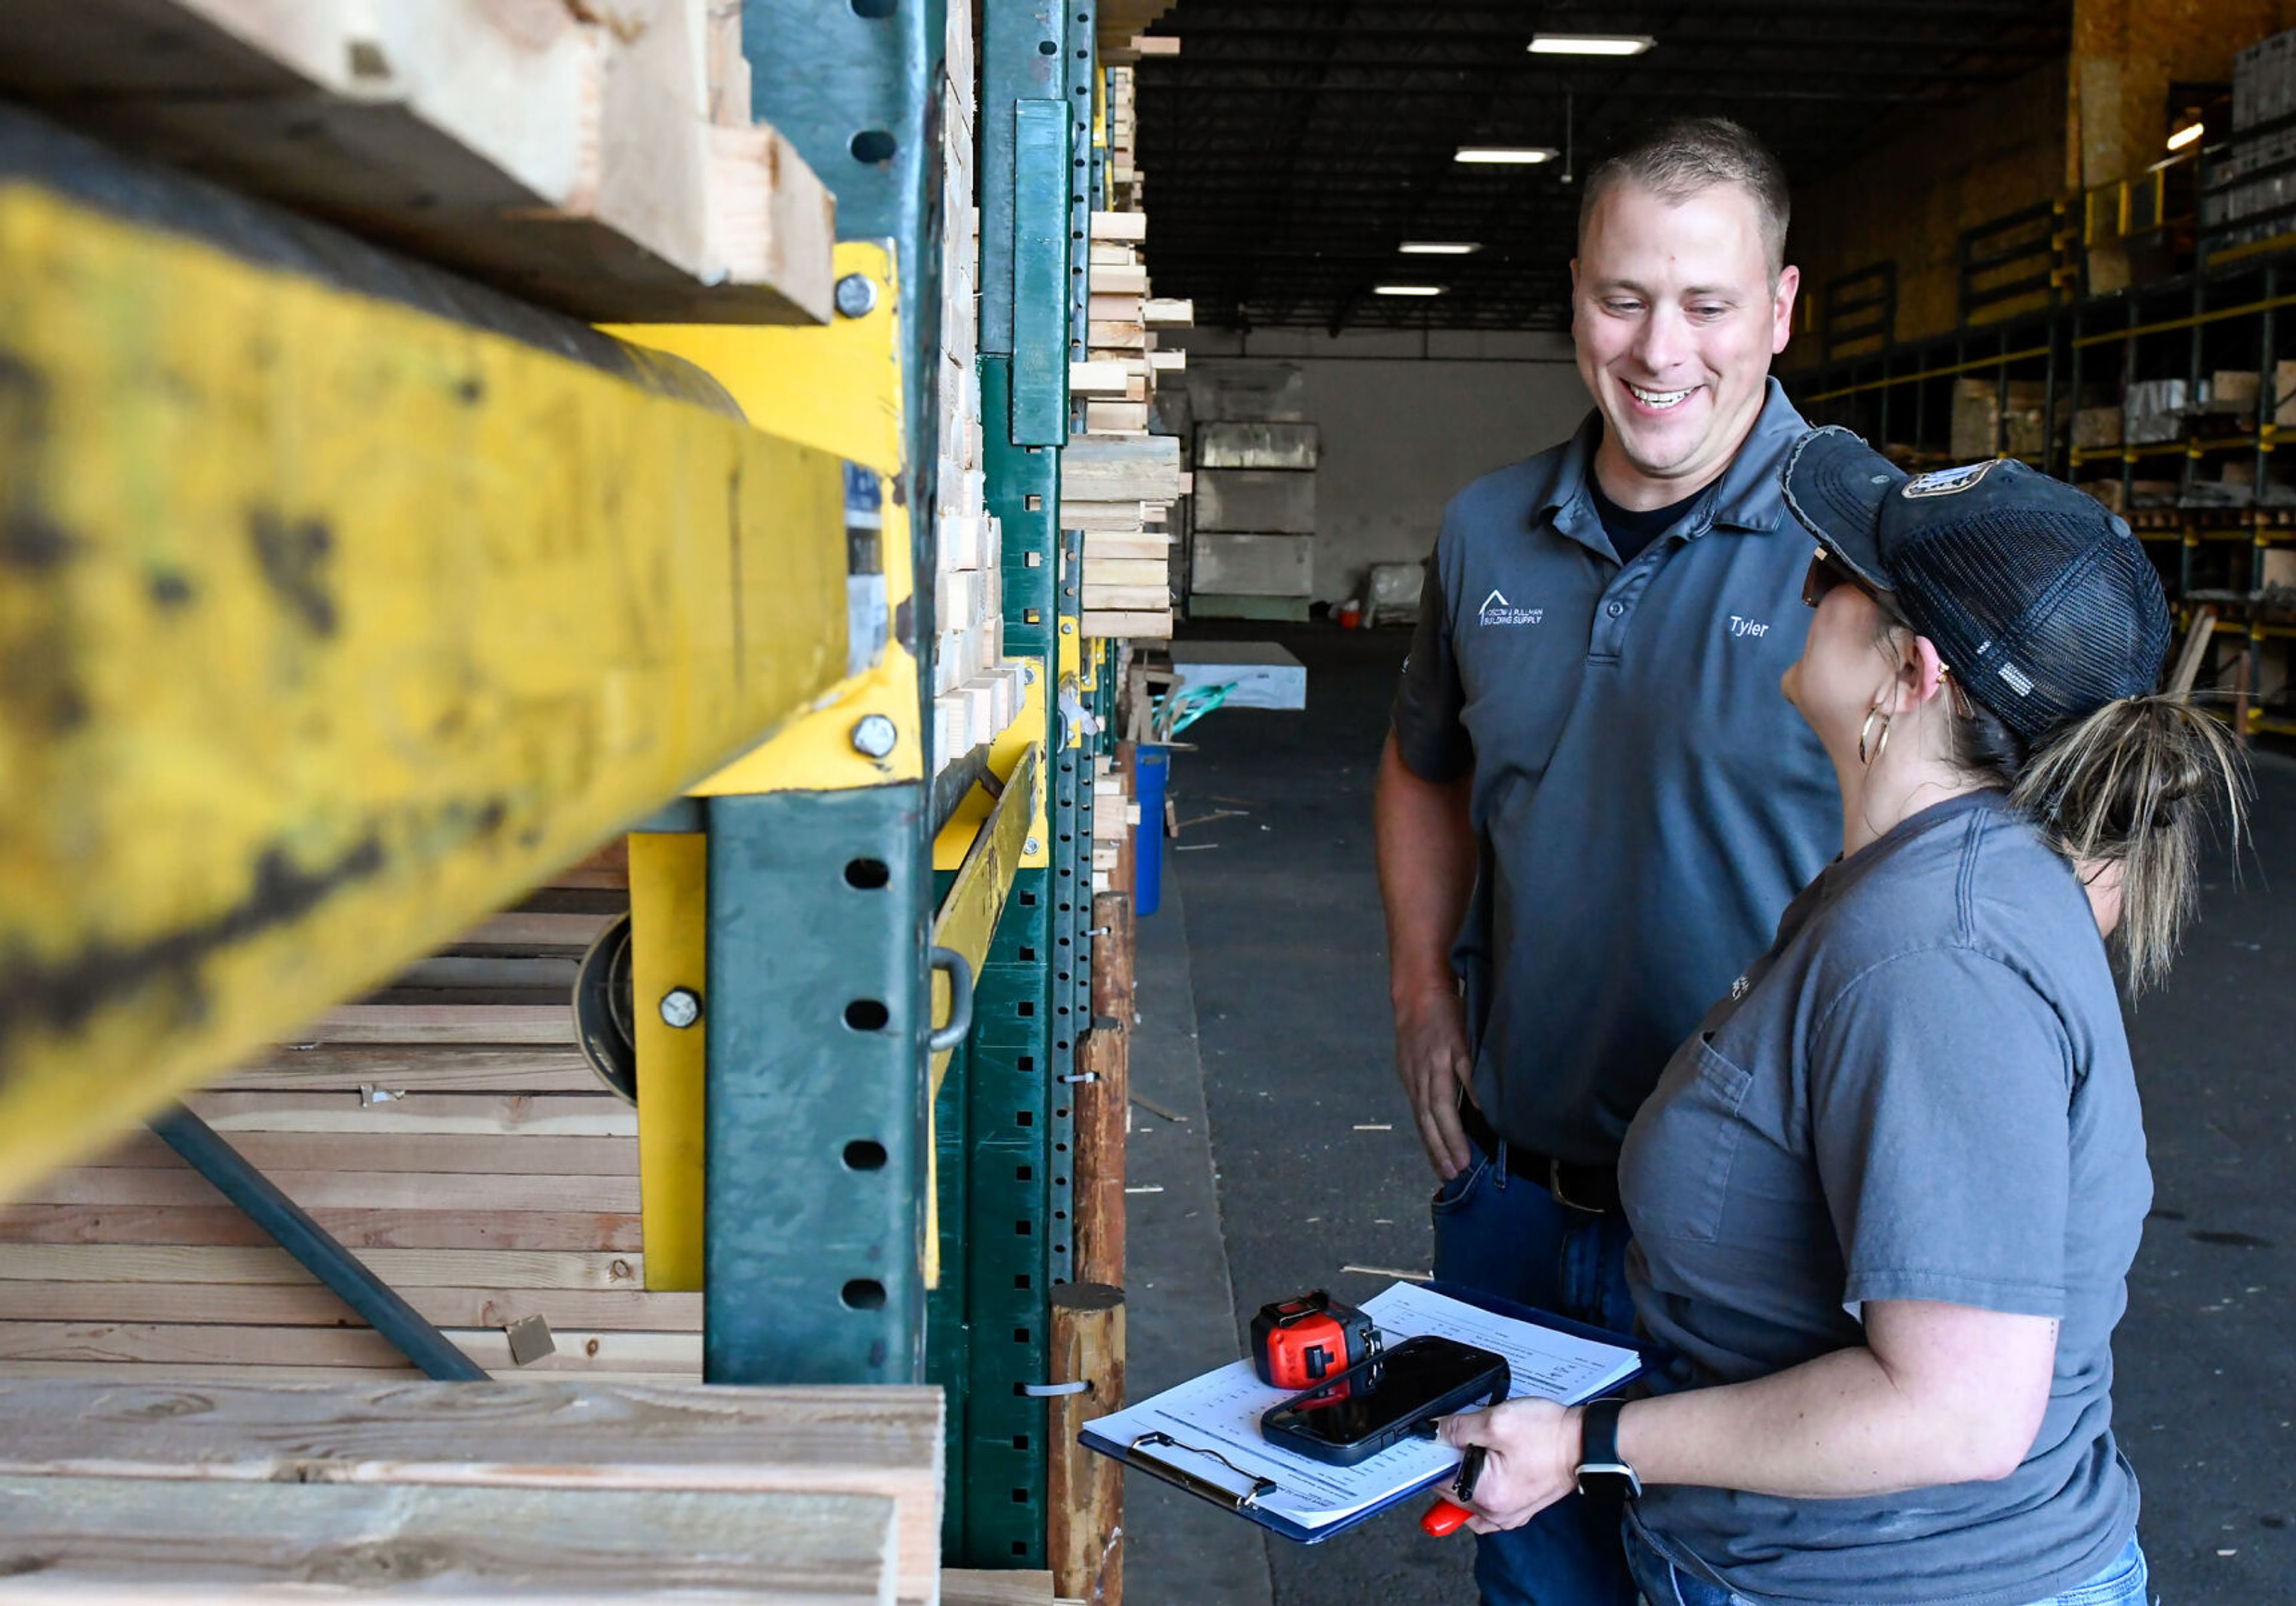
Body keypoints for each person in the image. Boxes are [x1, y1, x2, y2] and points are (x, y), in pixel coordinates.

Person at [1439, 429, 2246, 1606]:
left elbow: (1960, 1405)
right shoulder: (1949, 872)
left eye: (1834, 577)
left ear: (1910, 673)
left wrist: (1593, 1440)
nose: (1800, 583)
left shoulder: (1935, 953)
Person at [1376, 118, 1838, 1604]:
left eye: (1708, 305)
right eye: (1622, 298)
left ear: (1778, 310)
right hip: (1517, 1195)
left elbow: (2043, 862)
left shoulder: (1874, 550)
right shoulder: (1484, 532)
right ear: (1572, 296)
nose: (1660, 350)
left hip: (1764, 1242)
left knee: (1735, 1584)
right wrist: (1420, 988)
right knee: (1539, 1579)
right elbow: (1420, 764)